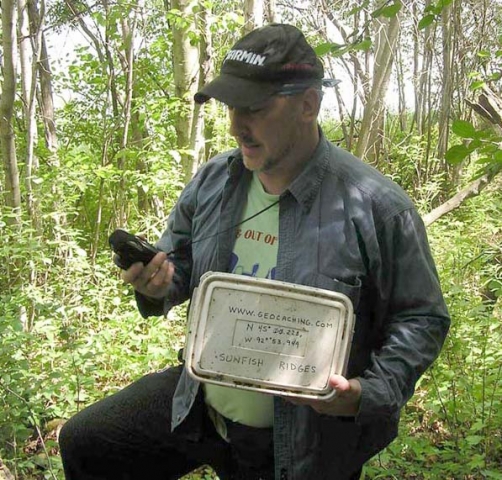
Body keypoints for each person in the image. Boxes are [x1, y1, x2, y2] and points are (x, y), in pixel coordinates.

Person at [58, 23, 450, 480]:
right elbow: (179, 263)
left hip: (304, 442)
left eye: (255, 109)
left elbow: (422, 318)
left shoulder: (376, 207)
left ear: (309, 105)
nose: (236, 126)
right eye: (230, 108)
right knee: (87, 444)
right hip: (202, 405)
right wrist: (158, 283)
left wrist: (368, 391)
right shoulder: (215, 182)